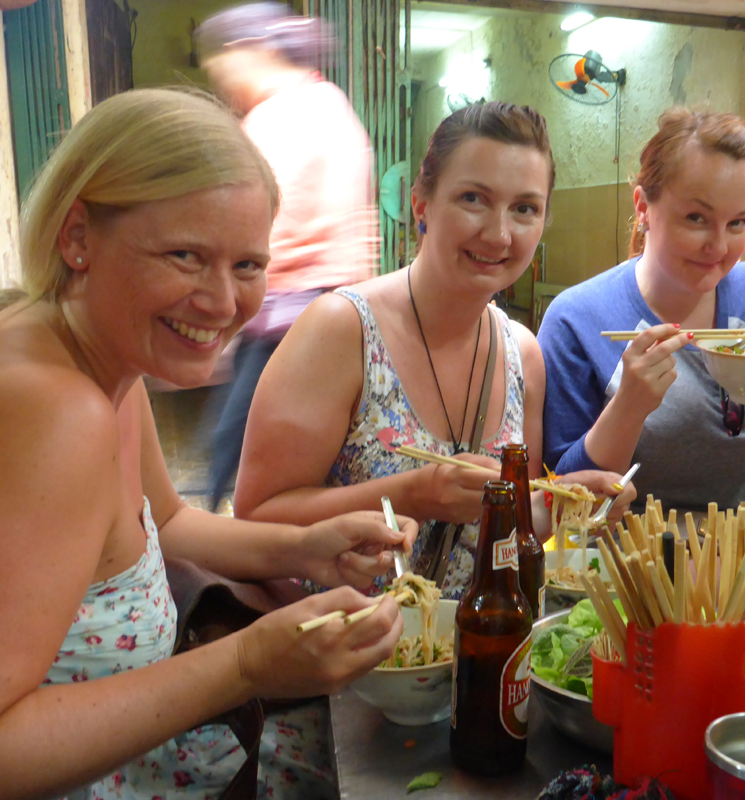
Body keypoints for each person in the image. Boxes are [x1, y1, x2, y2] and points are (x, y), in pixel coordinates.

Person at [0, 88, 417, 800]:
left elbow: (166, 522)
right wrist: (247, 664)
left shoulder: (102, 358)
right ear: (77, 237)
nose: (224, 304)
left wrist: (305, 549)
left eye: (248, 266)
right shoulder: (59, 409)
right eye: (185, 255)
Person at [234, 101, 635, 599]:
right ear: (421, 205)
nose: (499, 234)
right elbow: (256, 517)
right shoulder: (343, 331)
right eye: (473, 198)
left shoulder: (521, 355)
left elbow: (511, 525)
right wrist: (412, 494)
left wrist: (564, 504)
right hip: (337, 635)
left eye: (524, 209)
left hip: (470, 640)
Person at [538, 107, 745, 591]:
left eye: (738, 223)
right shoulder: (579, 318)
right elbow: (569, 495)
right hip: (636, 549)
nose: (718, 246)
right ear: (643, 207)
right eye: (696, 218)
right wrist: (629, 405)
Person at [196, 3, 379, 512]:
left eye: (222, 69)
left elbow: (256, 229)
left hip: (288, 312)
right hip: (328, 307)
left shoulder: (279, 116)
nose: (225, 84)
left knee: (233, 439)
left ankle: (221, 537)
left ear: (247, 52)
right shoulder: (329, 103)